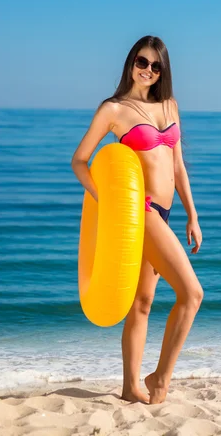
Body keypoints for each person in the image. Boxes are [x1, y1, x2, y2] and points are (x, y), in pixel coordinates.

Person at [71, 35, 203, 404]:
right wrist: (111, 203)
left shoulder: (169, 105)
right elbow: (80, 161)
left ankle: (130, 388)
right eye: (142, 62)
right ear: (131, 63)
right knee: (192, 294)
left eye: (156, 65)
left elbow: (177, 166)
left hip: (165, 212)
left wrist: (192, 215)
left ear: (164, 71)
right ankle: (159, 380)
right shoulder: (114, 110)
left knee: (142, 302)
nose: (148, 70)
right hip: (139, 214)